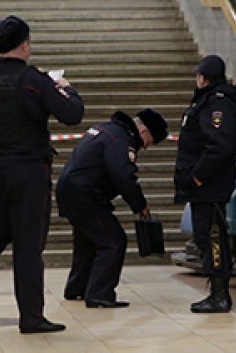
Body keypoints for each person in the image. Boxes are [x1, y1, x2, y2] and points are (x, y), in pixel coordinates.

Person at [0, 15, 85, 334]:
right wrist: (66, 89)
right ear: (25, 44)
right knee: (28, 246)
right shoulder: (33, 80)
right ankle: (31, 316)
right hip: (27, 171)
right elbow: (72, 115)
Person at [56, 108, 169, 308]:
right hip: (86, 195)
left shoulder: (108, 130)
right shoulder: (121, 139)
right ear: (144, 132)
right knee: (114, 241)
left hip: (71, 191)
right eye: (149, 142)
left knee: (87, 241)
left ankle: (77, 288)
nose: (146, 148)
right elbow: (123, 175)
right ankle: (100, 294)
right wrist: (140, 204)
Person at [174, 55, 236, 314]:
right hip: (205, 186)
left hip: (210, 185)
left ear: (204, 78)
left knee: (213, 236)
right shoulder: (210, 101)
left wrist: (198, 176)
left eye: (198, 75)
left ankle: (220, 296)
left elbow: (219, 145)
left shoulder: (218, 104)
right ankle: (216, 291)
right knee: (206, 235)